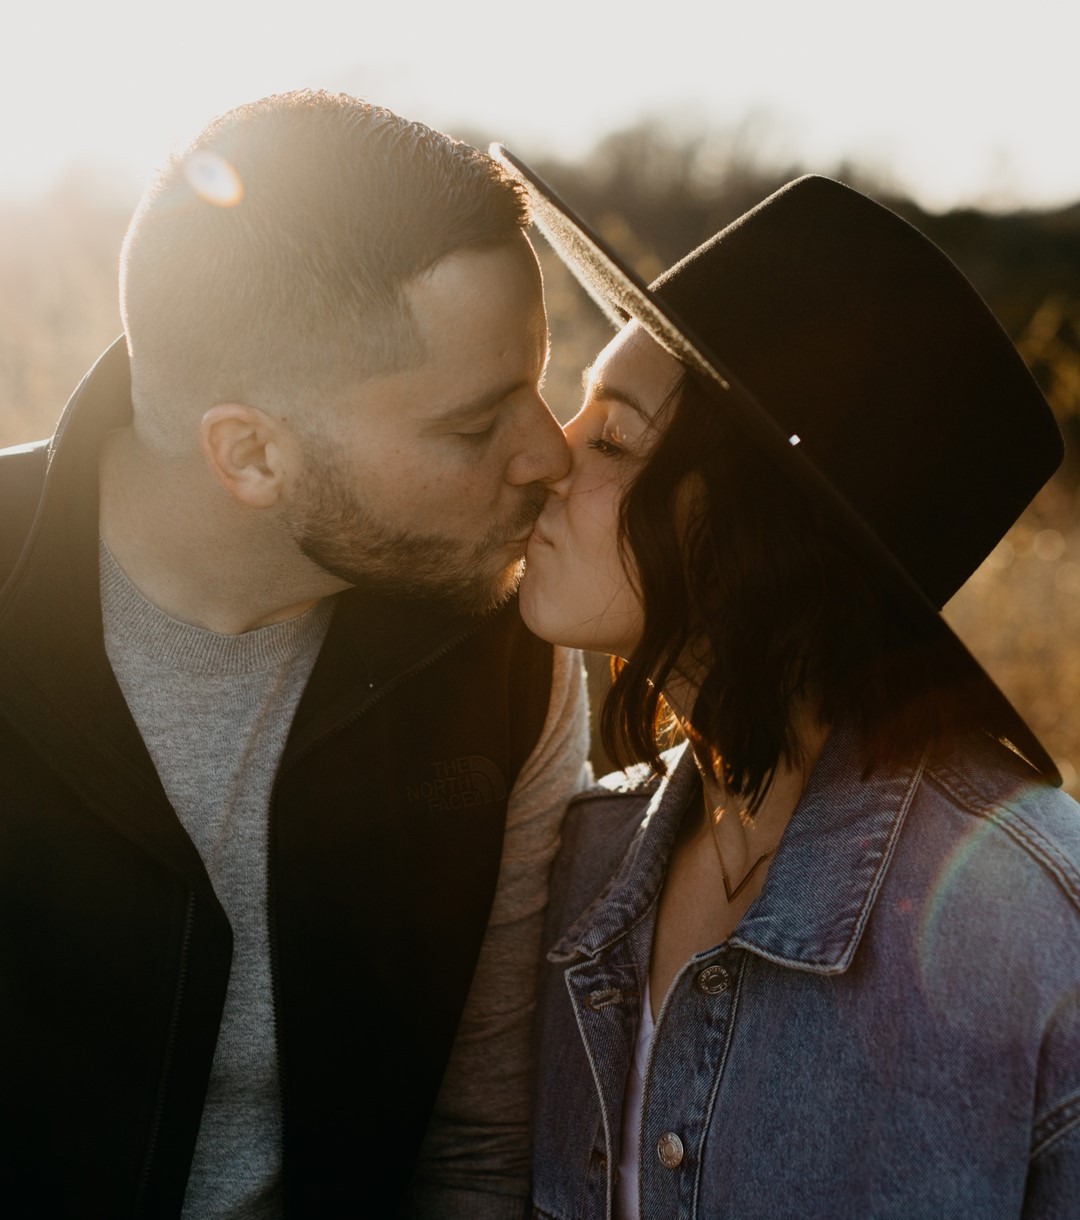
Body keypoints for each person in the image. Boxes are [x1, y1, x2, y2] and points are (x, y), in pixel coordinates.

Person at [0, 92, 590, 1219]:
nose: (547, 457)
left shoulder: (503, 663)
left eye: (538, 385)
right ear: (252, 453)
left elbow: (473, 1148)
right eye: (474, 425)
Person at [492, 150, 1080, 1218]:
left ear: (761, 531)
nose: (548, 455)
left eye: (615, 436)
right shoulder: (582, 857)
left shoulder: (1039, 928)